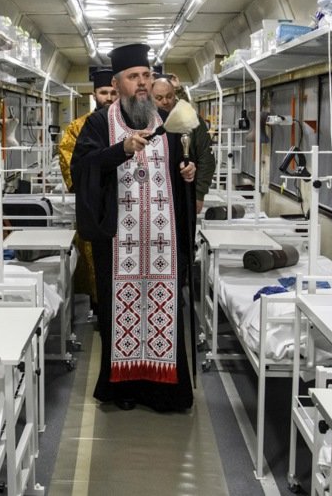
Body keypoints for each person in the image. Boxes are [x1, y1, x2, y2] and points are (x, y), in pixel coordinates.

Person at [71, 44, 196, 413]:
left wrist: (186, 172)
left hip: (162, 242)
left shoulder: (167, 121)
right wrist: (120, 149)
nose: (141, 83)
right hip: (119, 241)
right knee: (119, 315)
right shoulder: (98, 123)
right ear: (117, 82)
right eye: (133, 77)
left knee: (164, 312)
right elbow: (83, 169)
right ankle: (122, 390)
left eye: (146, 75)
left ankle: (165, 393)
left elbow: (180, 164)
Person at [57, 69, 116, 309]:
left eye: (114, 93)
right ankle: (97, 303)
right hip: (93, 203)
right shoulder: (77, 127)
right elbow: (69, 161)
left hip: (122, 203)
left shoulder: (127, 124)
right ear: (94, 95)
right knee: (94, 259)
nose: (109, 98)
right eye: (104, 93)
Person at [151, 77, 215, 213]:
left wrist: (199, 194)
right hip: (155, 192)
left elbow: (206, 158)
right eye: (159, 98)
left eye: (169, 96)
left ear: (174, 94)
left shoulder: (192, 119)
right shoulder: (147, 122)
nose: (165, 101)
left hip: (185, 189)